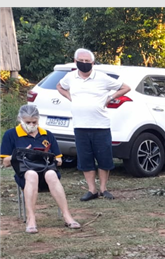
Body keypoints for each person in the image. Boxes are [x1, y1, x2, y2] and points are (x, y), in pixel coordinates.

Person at [56, 48, 130, 201]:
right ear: (75, 62)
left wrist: (111, 98)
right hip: (80, 125)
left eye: (87, 62)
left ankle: (103, 189)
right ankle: (92, 190)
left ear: (93, 63)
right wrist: (70, 97)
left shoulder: (102, 78)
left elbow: (125, 87)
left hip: (100, 125)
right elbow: (59, 86)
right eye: (81, 61)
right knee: (85, 158)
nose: (84, 64)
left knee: (104, 158)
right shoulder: (70, 77)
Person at [1, 105, 81, 233]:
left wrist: (47, 156)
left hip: (46, 170)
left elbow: (59, 161)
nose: (31, 125)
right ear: (20, 119)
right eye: (28, 122)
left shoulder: (46, 134)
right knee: (32, 174)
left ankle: (67, 216)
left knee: (51, 174)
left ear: (38, 120)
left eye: (34, 122)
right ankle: (31, 219)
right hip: (25, 174)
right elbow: (5, 162)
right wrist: (20, 154)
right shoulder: (11, 134)